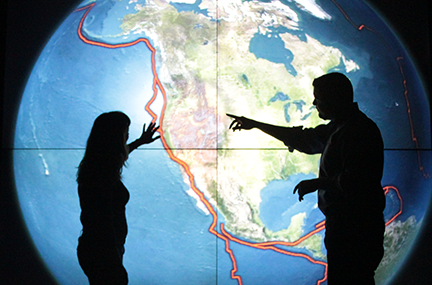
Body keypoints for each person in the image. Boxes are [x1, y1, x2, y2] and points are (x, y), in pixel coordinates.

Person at [228, 72, 385, 285]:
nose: (314, 103)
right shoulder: (340, 127)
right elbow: (304, 139)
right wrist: (254, 124)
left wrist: (319, 183)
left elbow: (357, 181)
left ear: (333, 99)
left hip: (354, 232)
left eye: (318, 98)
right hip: (346, 228)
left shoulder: (358, 130)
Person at [76, 111, 160, 285]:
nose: (127, 136)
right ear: (114, 137)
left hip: (99, 253)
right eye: (125, 132)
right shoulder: (102, 176)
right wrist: (115, 265)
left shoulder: (99, 165)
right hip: (104, 257)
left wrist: (140, 141)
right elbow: (103, 224)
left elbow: (120, 154)